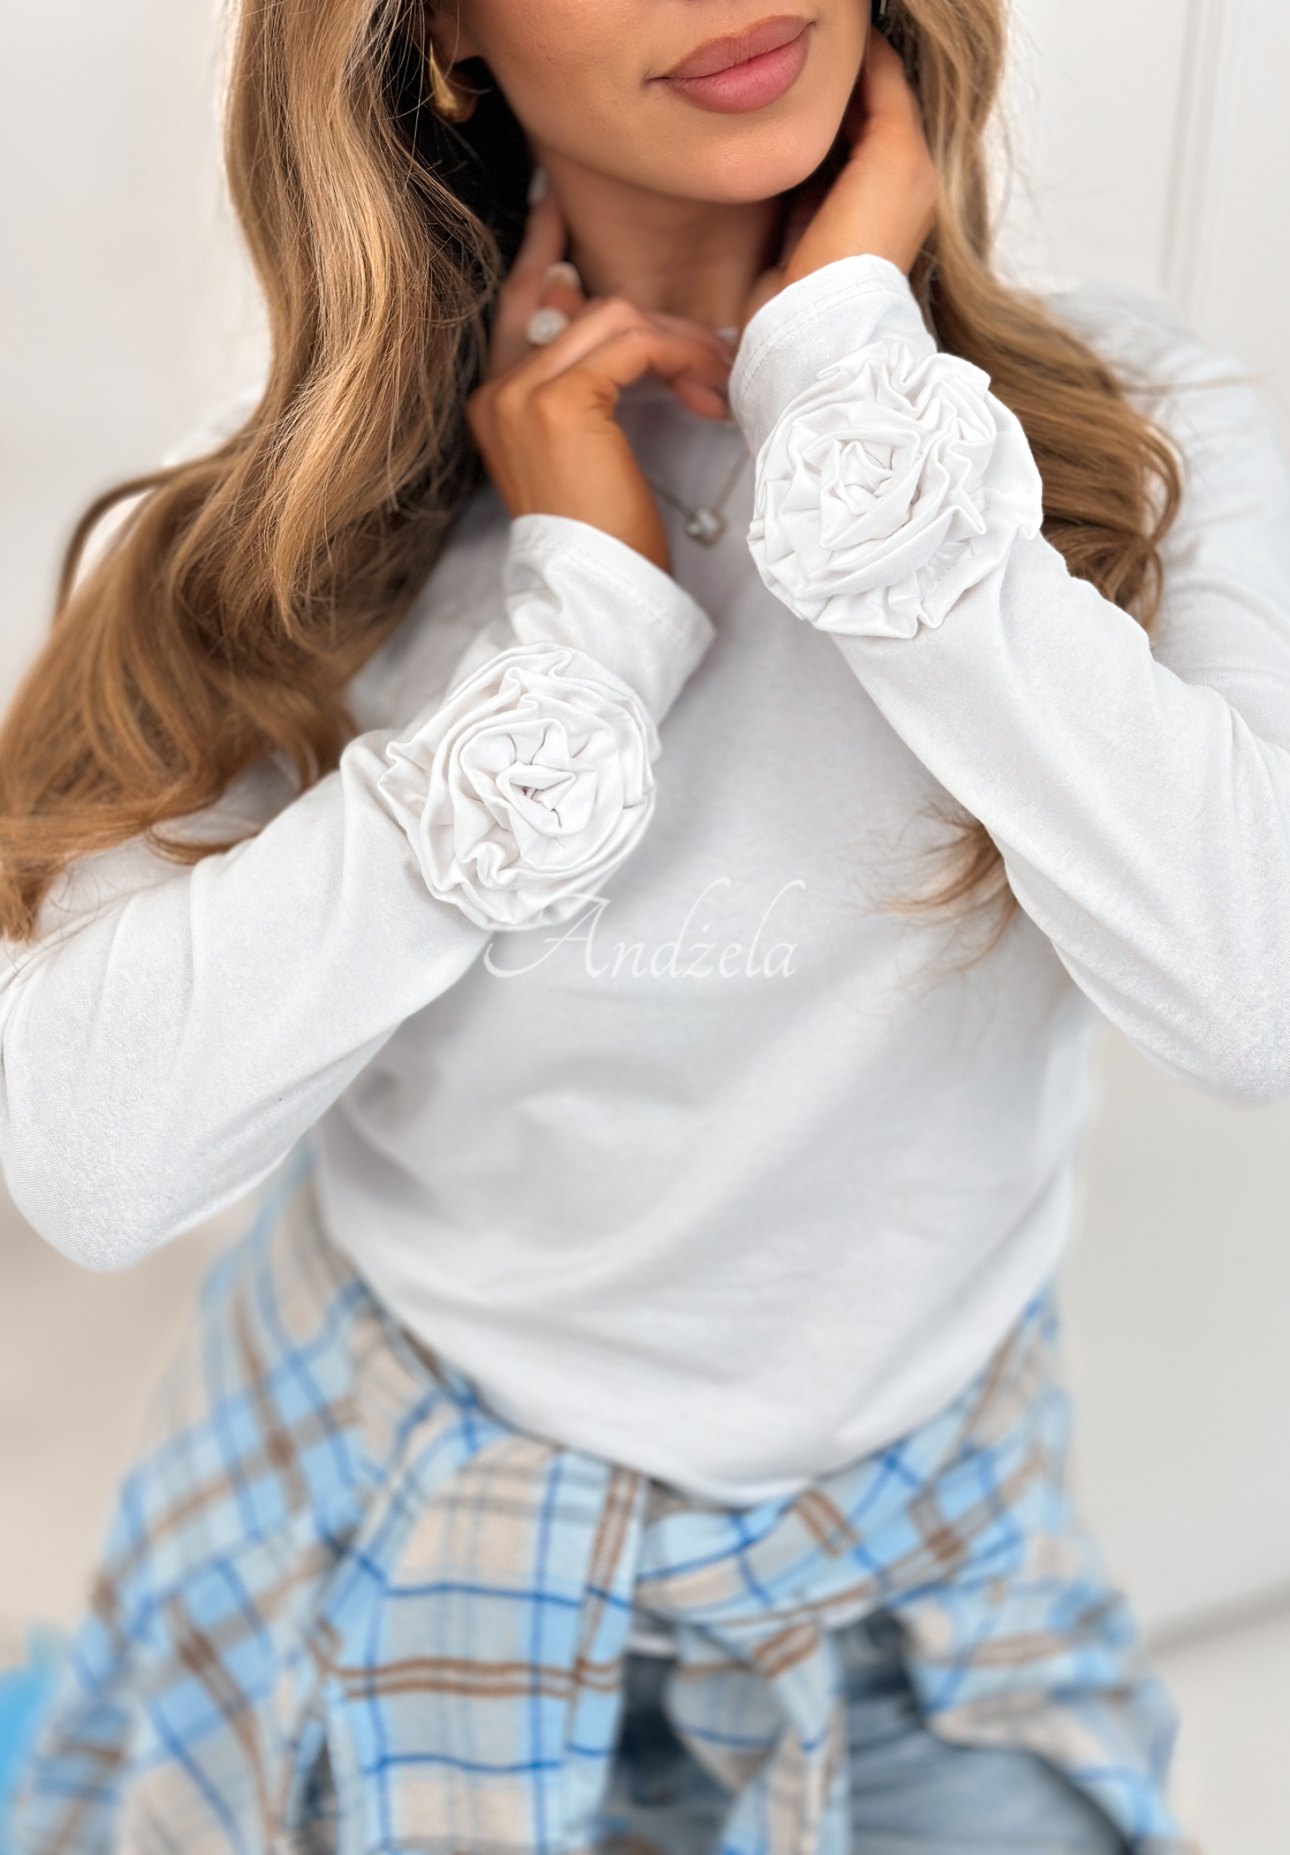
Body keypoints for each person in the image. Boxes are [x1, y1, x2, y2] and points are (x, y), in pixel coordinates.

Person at [4, 0, 1288, 1846]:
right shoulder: (287, 540)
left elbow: (1246, 994)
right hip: (382, 1537)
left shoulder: (1117, 435)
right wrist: (585, 628)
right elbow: (94, 1158)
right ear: (439, 30)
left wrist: (841, 375)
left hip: (911, 1589)